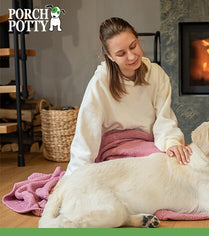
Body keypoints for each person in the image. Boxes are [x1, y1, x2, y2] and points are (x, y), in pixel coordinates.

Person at [65, 17, 191, 176]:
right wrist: (74, 178)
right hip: (114, 148)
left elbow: (164, 119)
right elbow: (87, 132)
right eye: (121, 53)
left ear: (138, 40)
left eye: (134, 46)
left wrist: (172, 143)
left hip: (148, 144)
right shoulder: (100, 82)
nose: (132, 56)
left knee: (187, 166)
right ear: (110, 56)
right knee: (167, 173)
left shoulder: (157, 75)